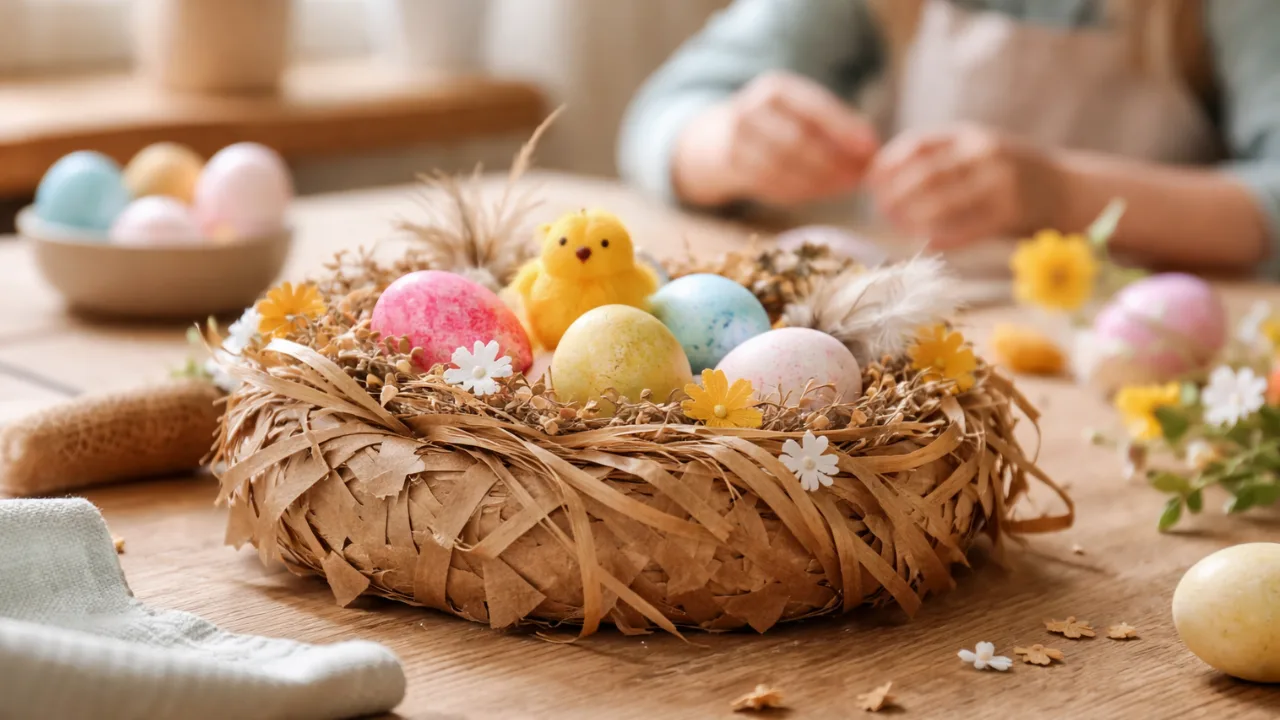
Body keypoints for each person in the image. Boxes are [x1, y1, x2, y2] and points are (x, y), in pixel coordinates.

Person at [618, 0, 1280, 273]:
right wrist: (732, 144)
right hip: (918, 343)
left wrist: (1060, 194)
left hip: (1141, 357)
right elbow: (664, 114)